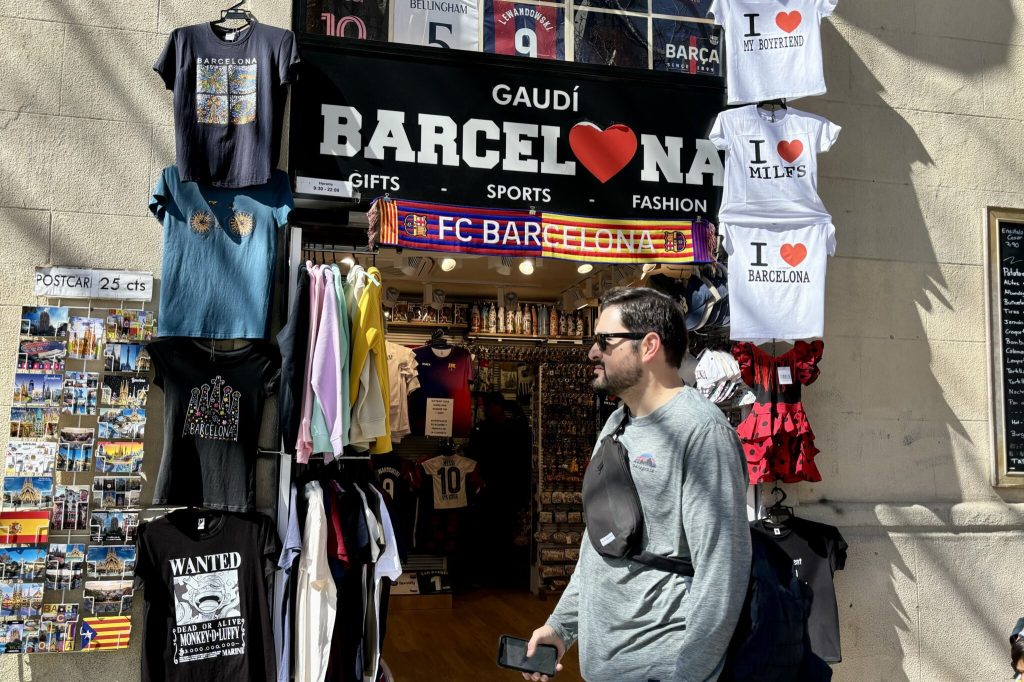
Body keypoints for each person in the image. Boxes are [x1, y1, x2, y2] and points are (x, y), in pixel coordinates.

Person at [522, 287, 751, 682]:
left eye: (604, 342)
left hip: (661, 669)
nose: (593, 353)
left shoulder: (702, 433)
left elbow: (723, 572)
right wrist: (560, 627)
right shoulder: (616, 425)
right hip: (603, 667)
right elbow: (598, 548)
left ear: (648, 346)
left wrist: (689, 675)